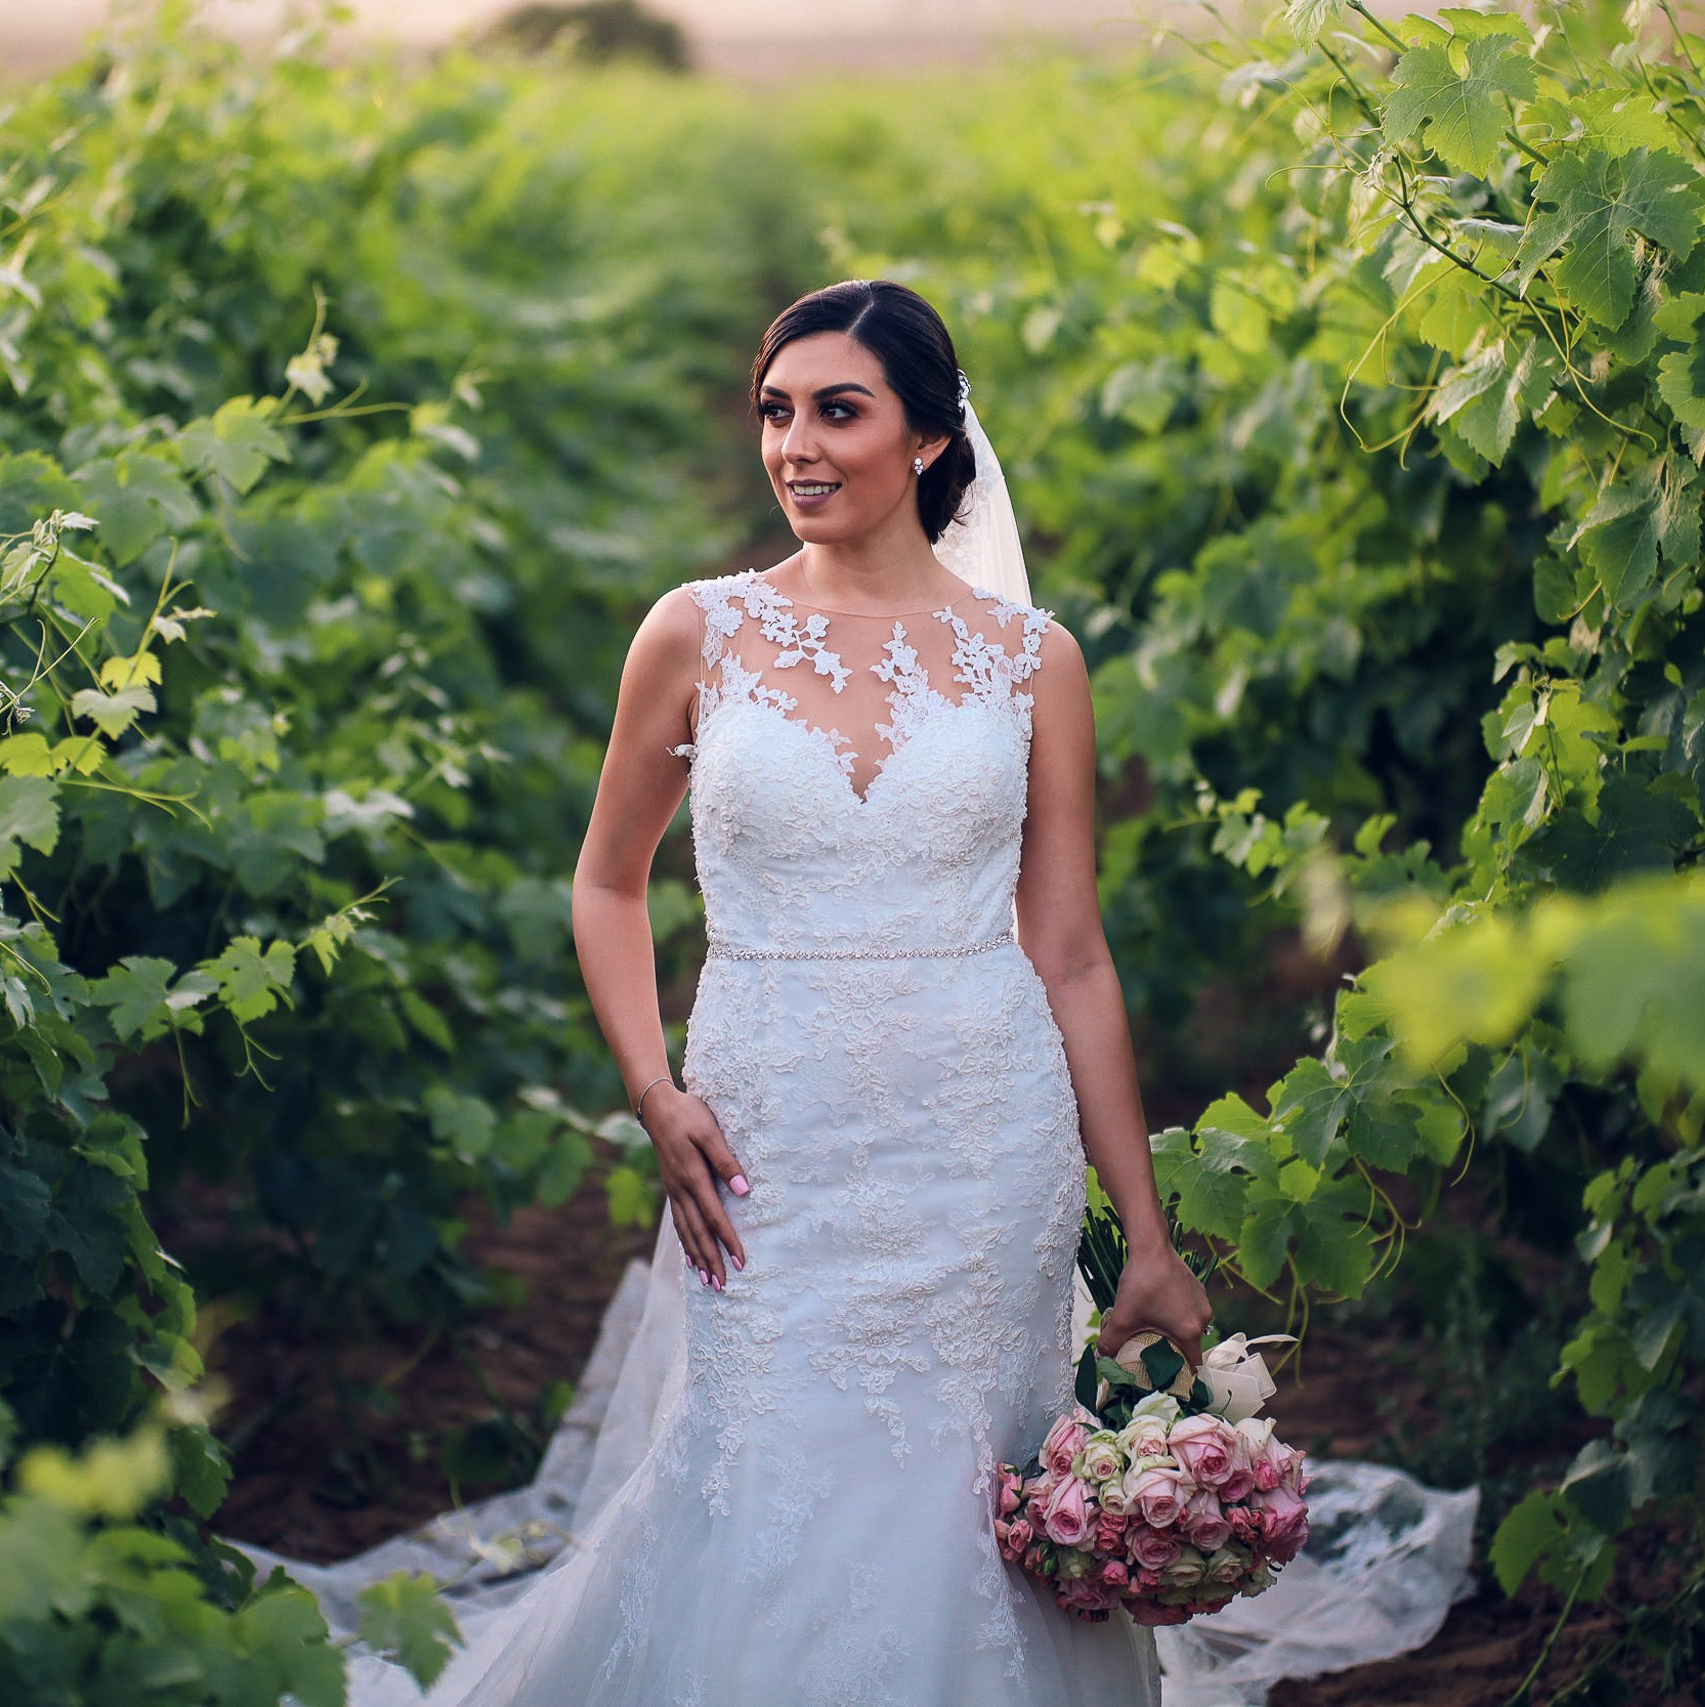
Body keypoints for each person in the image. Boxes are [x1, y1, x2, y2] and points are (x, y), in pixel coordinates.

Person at [374, 277, 1213, 1705]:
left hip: (981, 1144)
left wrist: (1144, 1231)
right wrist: (654, 1092)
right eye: (776, 412)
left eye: (838, 411)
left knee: (965, 1495)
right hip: (771, 1137)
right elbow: (606, 883)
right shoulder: (695, 632)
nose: (795, 447)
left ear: (930, 439)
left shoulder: (1036, 662)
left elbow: (1071, 951)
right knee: (771, 1467)